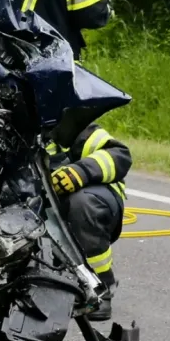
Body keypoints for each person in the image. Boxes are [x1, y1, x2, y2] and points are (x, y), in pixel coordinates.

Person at [47, 121, 130, 321]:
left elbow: (119, 155)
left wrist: (79, 172)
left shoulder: (61, 120)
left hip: (86, 201)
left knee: (82, 204)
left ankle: (99, 286)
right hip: (34, 208)